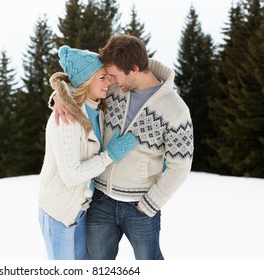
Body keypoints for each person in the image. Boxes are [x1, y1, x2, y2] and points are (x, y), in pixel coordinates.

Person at [52, 35, 194, 260]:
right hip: (100, 202)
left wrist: (150, 204)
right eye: (107, 76)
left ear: (134, 69)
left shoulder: (176, 110)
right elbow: (82, 84)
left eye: (114, 75)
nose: (110, 81)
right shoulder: (115, 89)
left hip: (140, 207)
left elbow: (181, 166)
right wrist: (60, 97)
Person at [38, 45, 136, 260]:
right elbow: (71, 175)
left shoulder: (96, 108)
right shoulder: (66, 120)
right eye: (102, 78)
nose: (108, 82)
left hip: (82, 210)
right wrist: (110, 155)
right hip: (60, 212)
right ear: (86, 81)